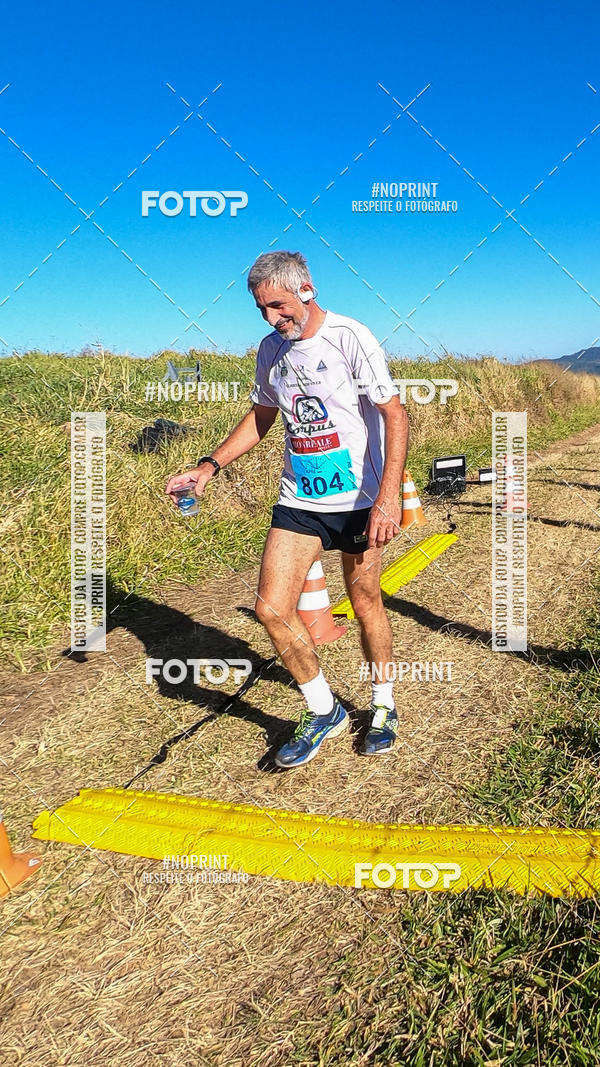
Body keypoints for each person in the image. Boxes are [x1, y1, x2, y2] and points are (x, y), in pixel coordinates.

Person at [166, 251, 409, 768]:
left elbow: (395, 414)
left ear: (307, 289)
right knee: (271, 609)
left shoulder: (350, 337)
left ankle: (383, 705)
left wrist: (388, 499)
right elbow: (262, 415)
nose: (273, 318)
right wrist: (208, 466)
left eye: (278, 305)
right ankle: (324, 710)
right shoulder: (271, 350)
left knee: (365, 604)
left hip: (359, 502)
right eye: (261, 309)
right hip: (298, 500)